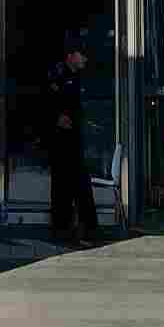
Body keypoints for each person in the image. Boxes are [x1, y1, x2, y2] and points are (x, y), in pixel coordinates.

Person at [44, 44, 99, 247]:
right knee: (64, 186)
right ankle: (66, 230)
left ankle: (83, 230)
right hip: (61, 140)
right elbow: (46, 101)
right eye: (82, 55)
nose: (85, 59)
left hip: (74, 138)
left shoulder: (78, 77)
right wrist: (56, 118)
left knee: (78, 184)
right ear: (70, 56)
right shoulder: (58, 74)